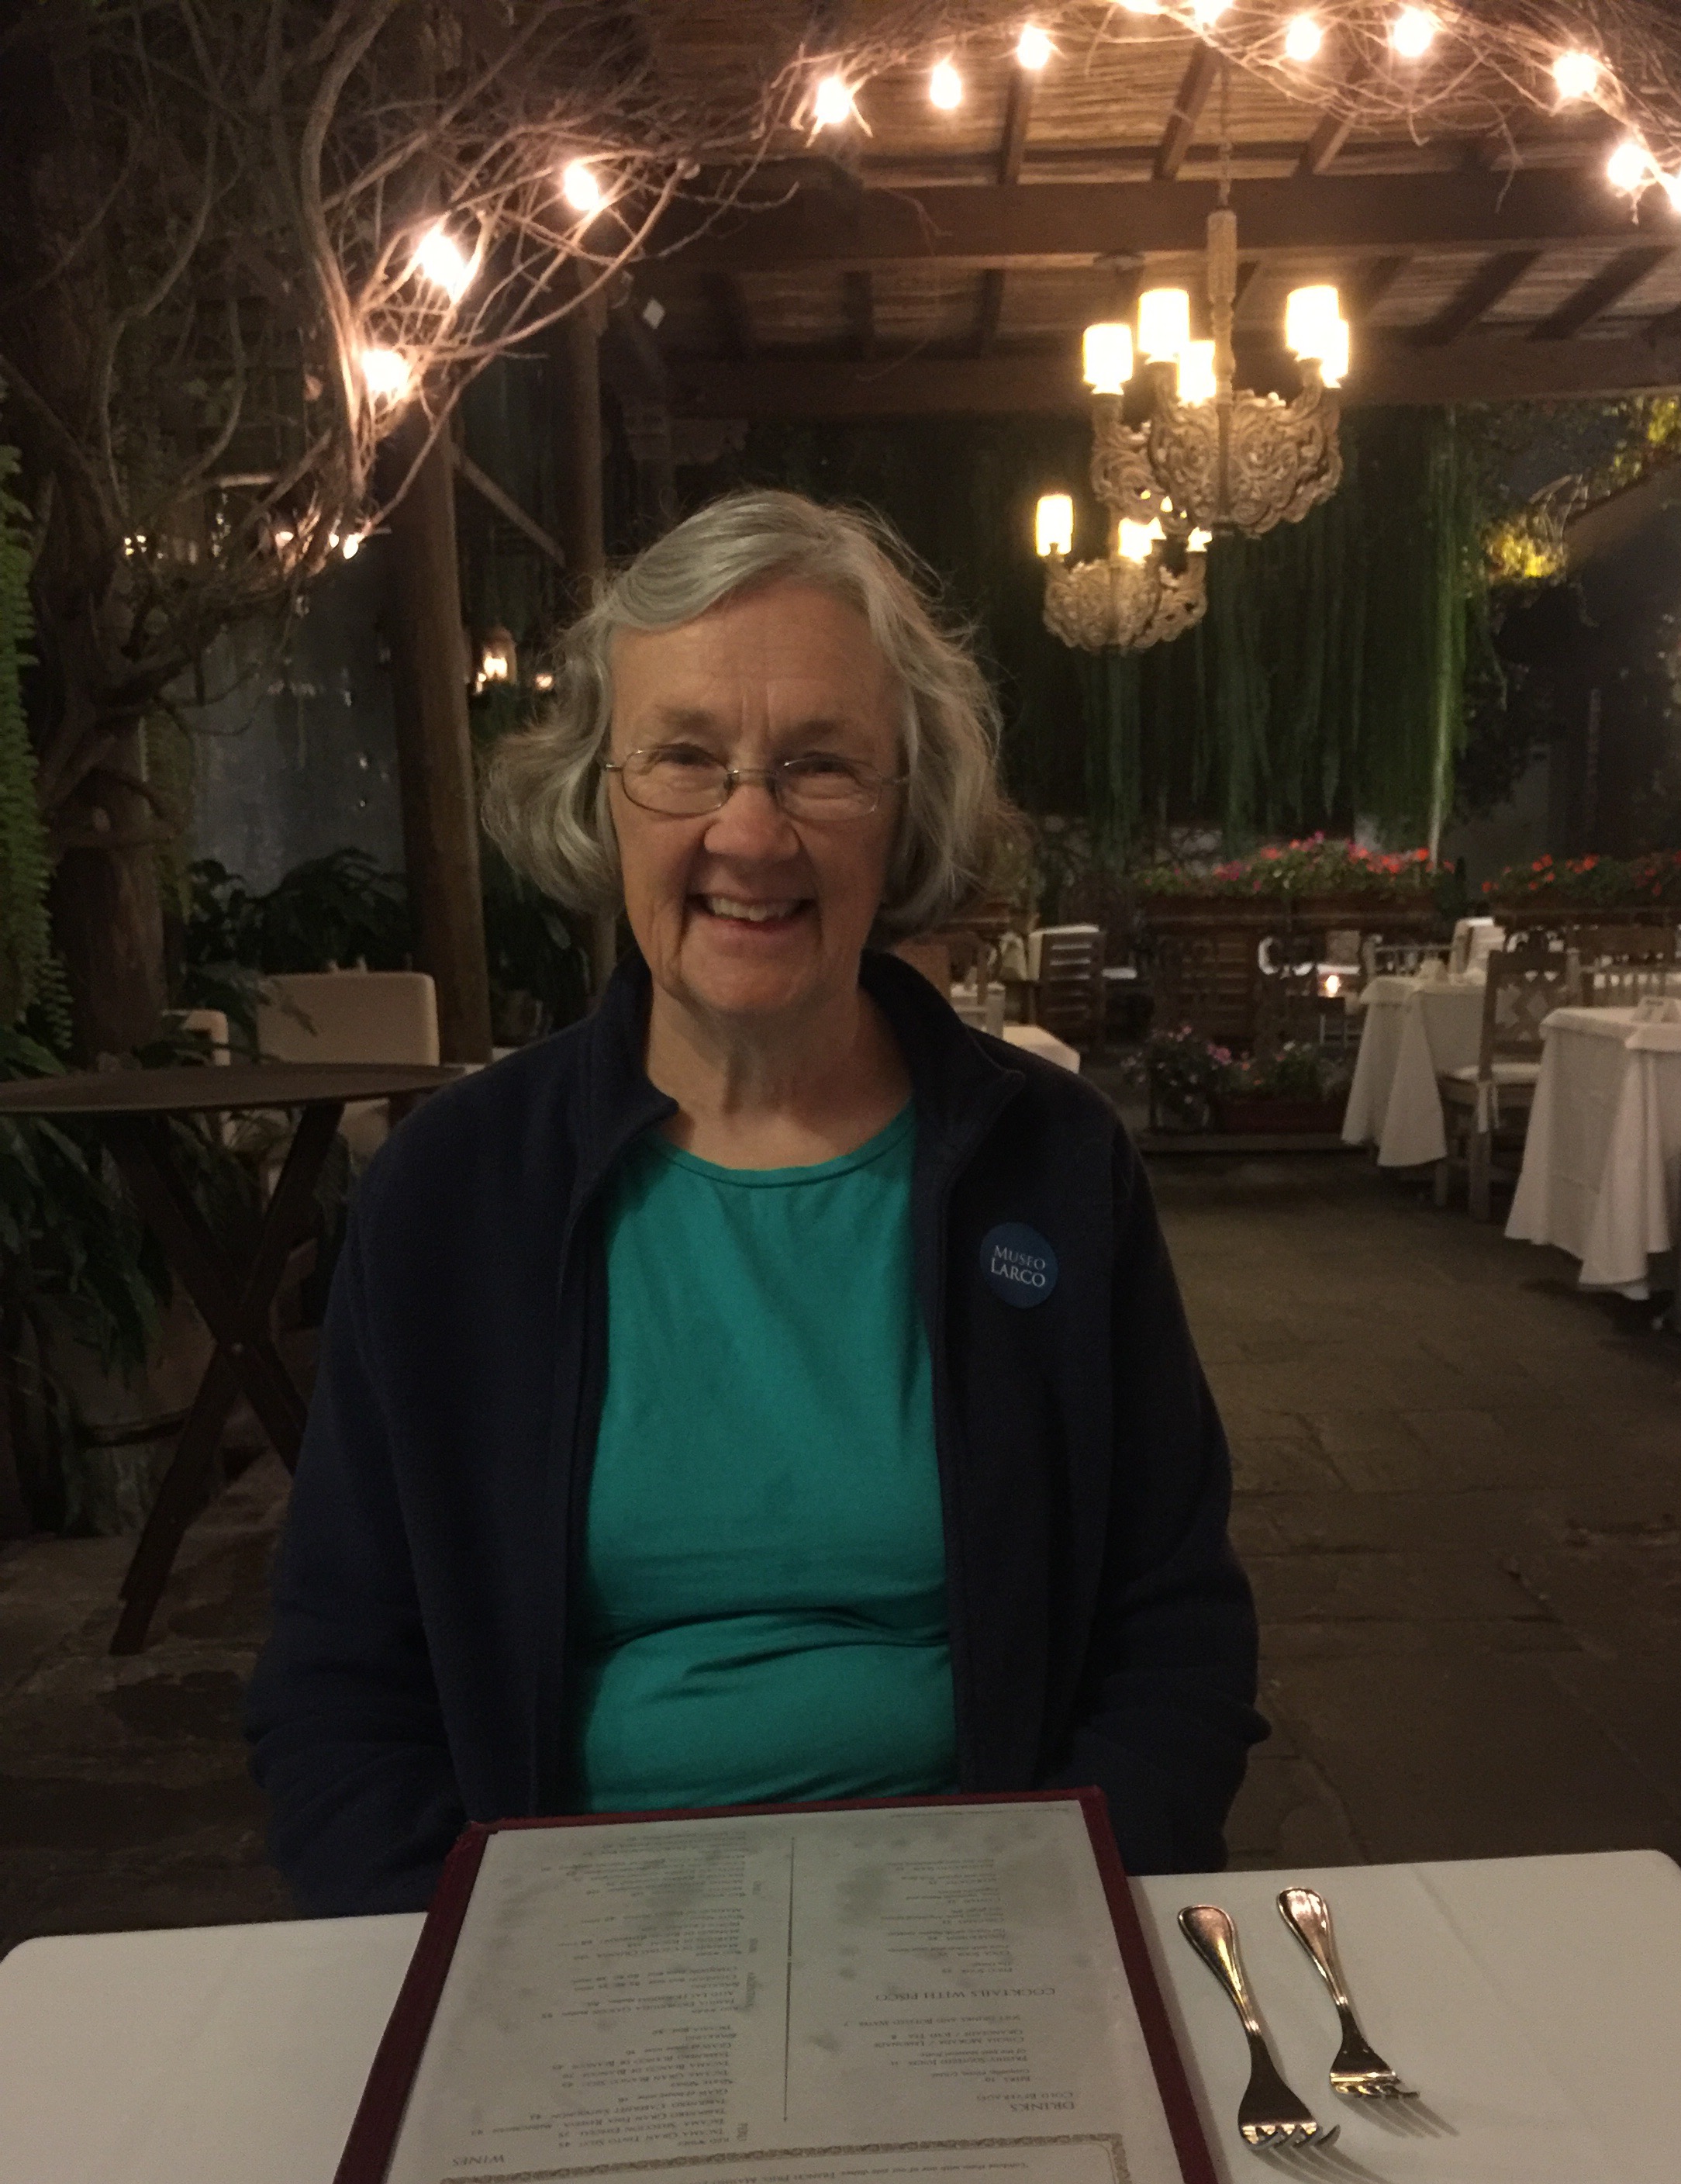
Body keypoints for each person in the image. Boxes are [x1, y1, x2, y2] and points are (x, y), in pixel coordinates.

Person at [246, 489, 1262, 1914]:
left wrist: (1060, 1913)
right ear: (599, 795)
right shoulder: (451, 1192)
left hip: (986, 1922)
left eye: (820, 765)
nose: (750, 831)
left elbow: (1175, 1635)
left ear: (906, 809)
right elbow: (340, 1682)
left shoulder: (1054, 1165)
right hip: (557, 1933)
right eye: (685, 758)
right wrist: (466, 1954)